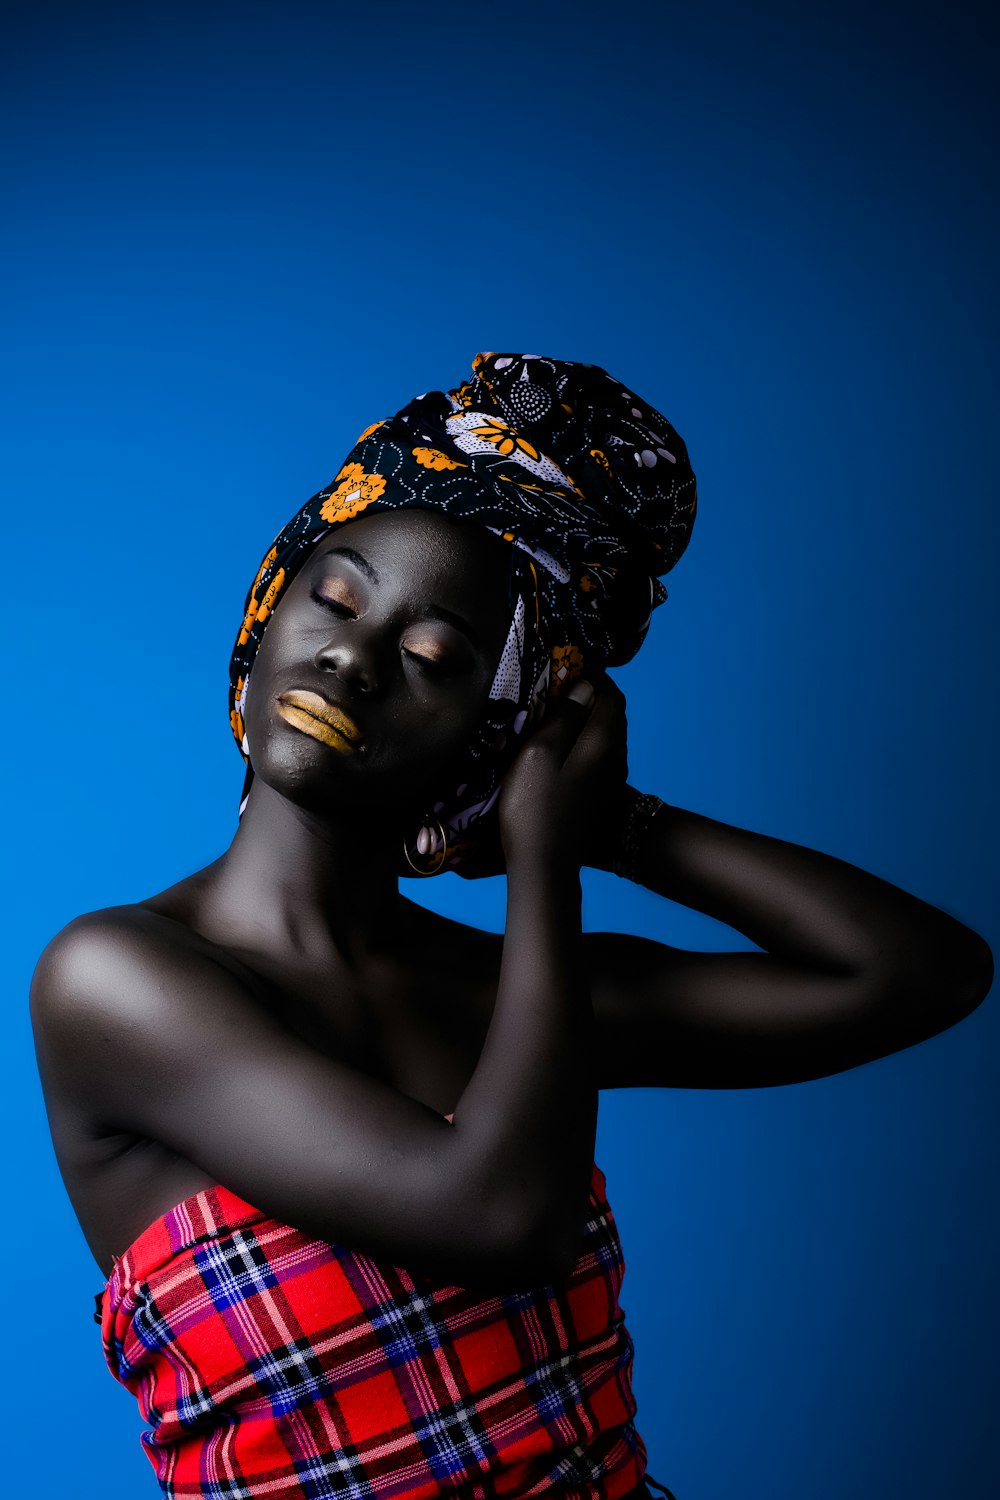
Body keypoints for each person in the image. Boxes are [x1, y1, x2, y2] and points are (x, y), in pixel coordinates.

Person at [30, 352, 993, 1500]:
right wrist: (541, 860)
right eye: (332, 596)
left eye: (432, 659)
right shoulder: (114, 980)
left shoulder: (512, 995)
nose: (352, 655)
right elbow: (500, 1216)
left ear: (496, 735)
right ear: (267, 604)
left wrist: (604, 823)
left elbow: (917, 973)